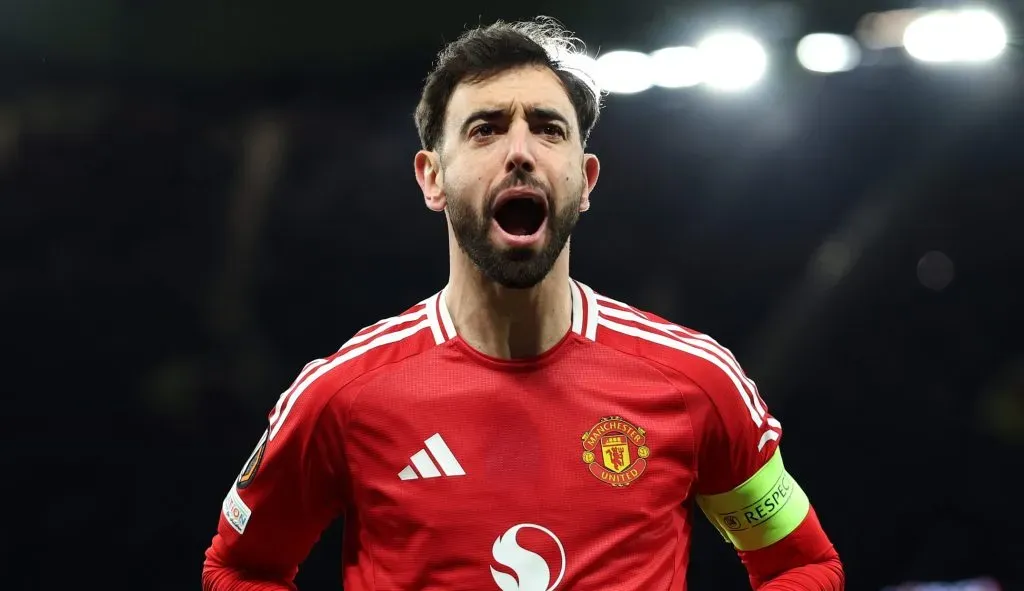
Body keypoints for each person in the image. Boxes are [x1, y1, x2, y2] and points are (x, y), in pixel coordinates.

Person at [202, 17, 845, 591]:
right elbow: (238, 568)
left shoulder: (696, 381)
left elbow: (801, 565)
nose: (519, 152)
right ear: (433, 178)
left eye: (547, 129)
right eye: (485, 130)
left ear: (585, 180)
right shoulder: (342, 395)